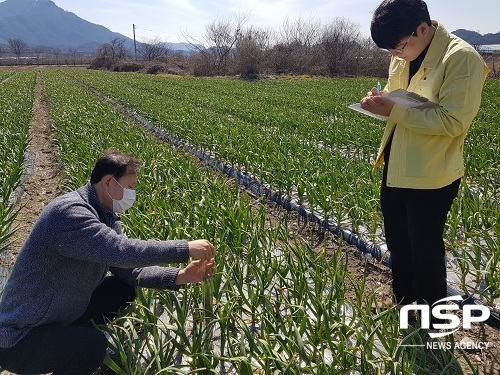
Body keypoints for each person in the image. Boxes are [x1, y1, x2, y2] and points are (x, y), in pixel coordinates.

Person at [0, 150, 216, 374]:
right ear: (109, 182)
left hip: (56, 316)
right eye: (130, 187)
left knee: (121, 289)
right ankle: (74, 350)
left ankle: (69, 339)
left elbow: (129, 270)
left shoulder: (107, 216)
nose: (132, 194)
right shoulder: (69, 213)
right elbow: (121, 251)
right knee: (92, 347)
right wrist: (184, 248)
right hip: (19, 336)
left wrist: (182, 276)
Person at [359, 0, 488, 327]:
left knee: (426, 251)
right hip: (396, 163)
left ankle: (433, 317)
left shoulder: (461, 59)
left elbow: (453, 122)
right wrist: (379, 98)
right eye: (390, 50)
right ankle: (405, 305)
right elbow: (399, 94)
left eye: (399, 46)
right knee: (398, 244)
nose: (395, 54)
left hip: (432, 175)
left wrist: (394, 110)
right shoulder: (402, 56)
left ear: (423, 27)